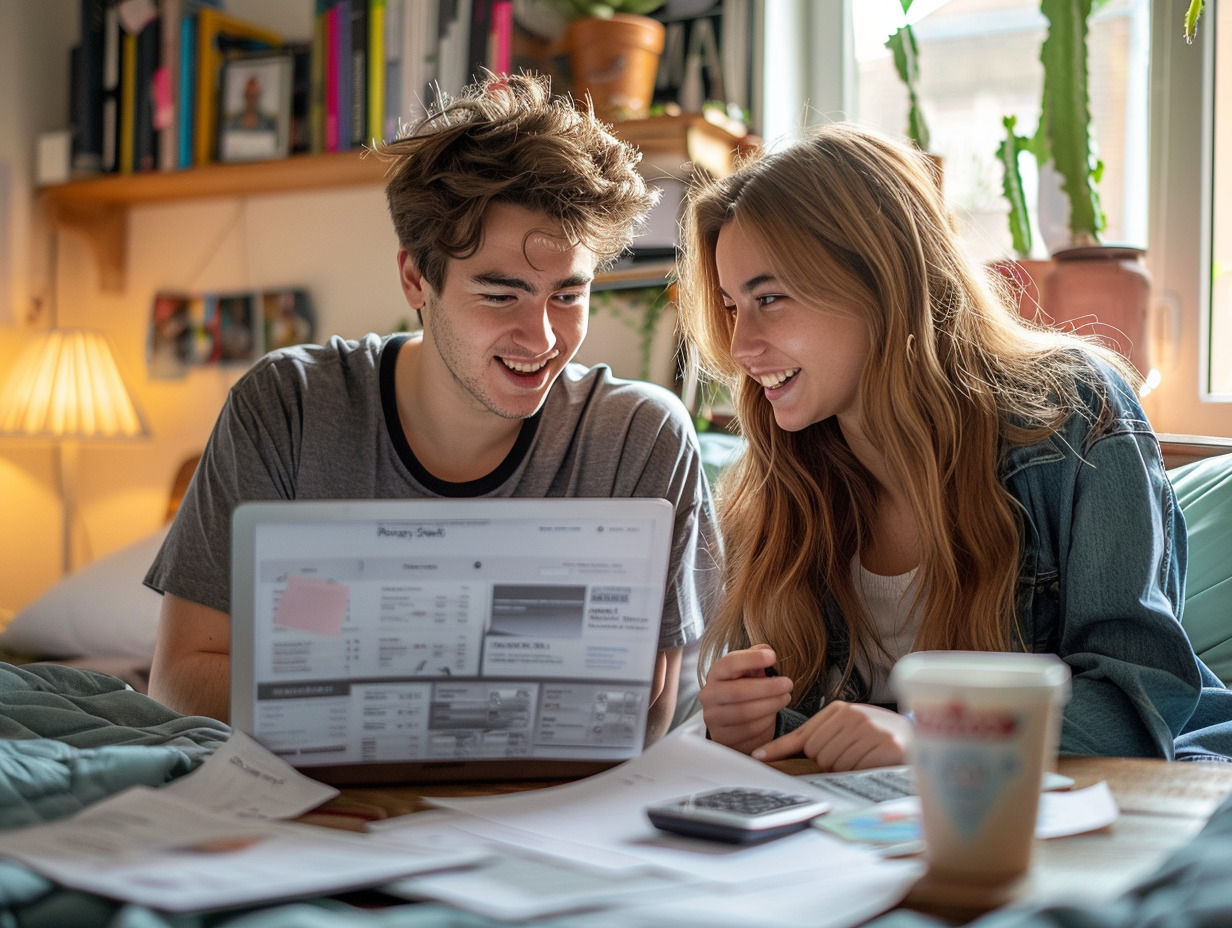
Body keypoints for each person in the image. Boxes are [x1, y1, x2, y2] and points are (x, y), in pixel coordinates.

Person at [146, 73, 718, 743]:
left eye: (567, 295)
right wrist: (449, 706)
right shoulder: (287, 408)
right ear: (417, 279)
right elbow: (179, 682)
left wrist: (365, 680)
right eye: (500, 296)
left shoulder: (638, 438)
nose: (541, 339)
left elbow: (640, 713)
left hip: (547, 810)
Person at [675, 121, 1232, 771]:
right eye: (732, 306)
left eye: (769, 297)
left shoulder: (1078, 417)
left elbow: (1138, 706)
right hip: (878, 830)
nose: (742, 348)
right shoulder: (777, 478)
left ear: (883, 280)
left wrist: (933, 738)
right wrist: (743, 725)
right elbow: (819, 734)